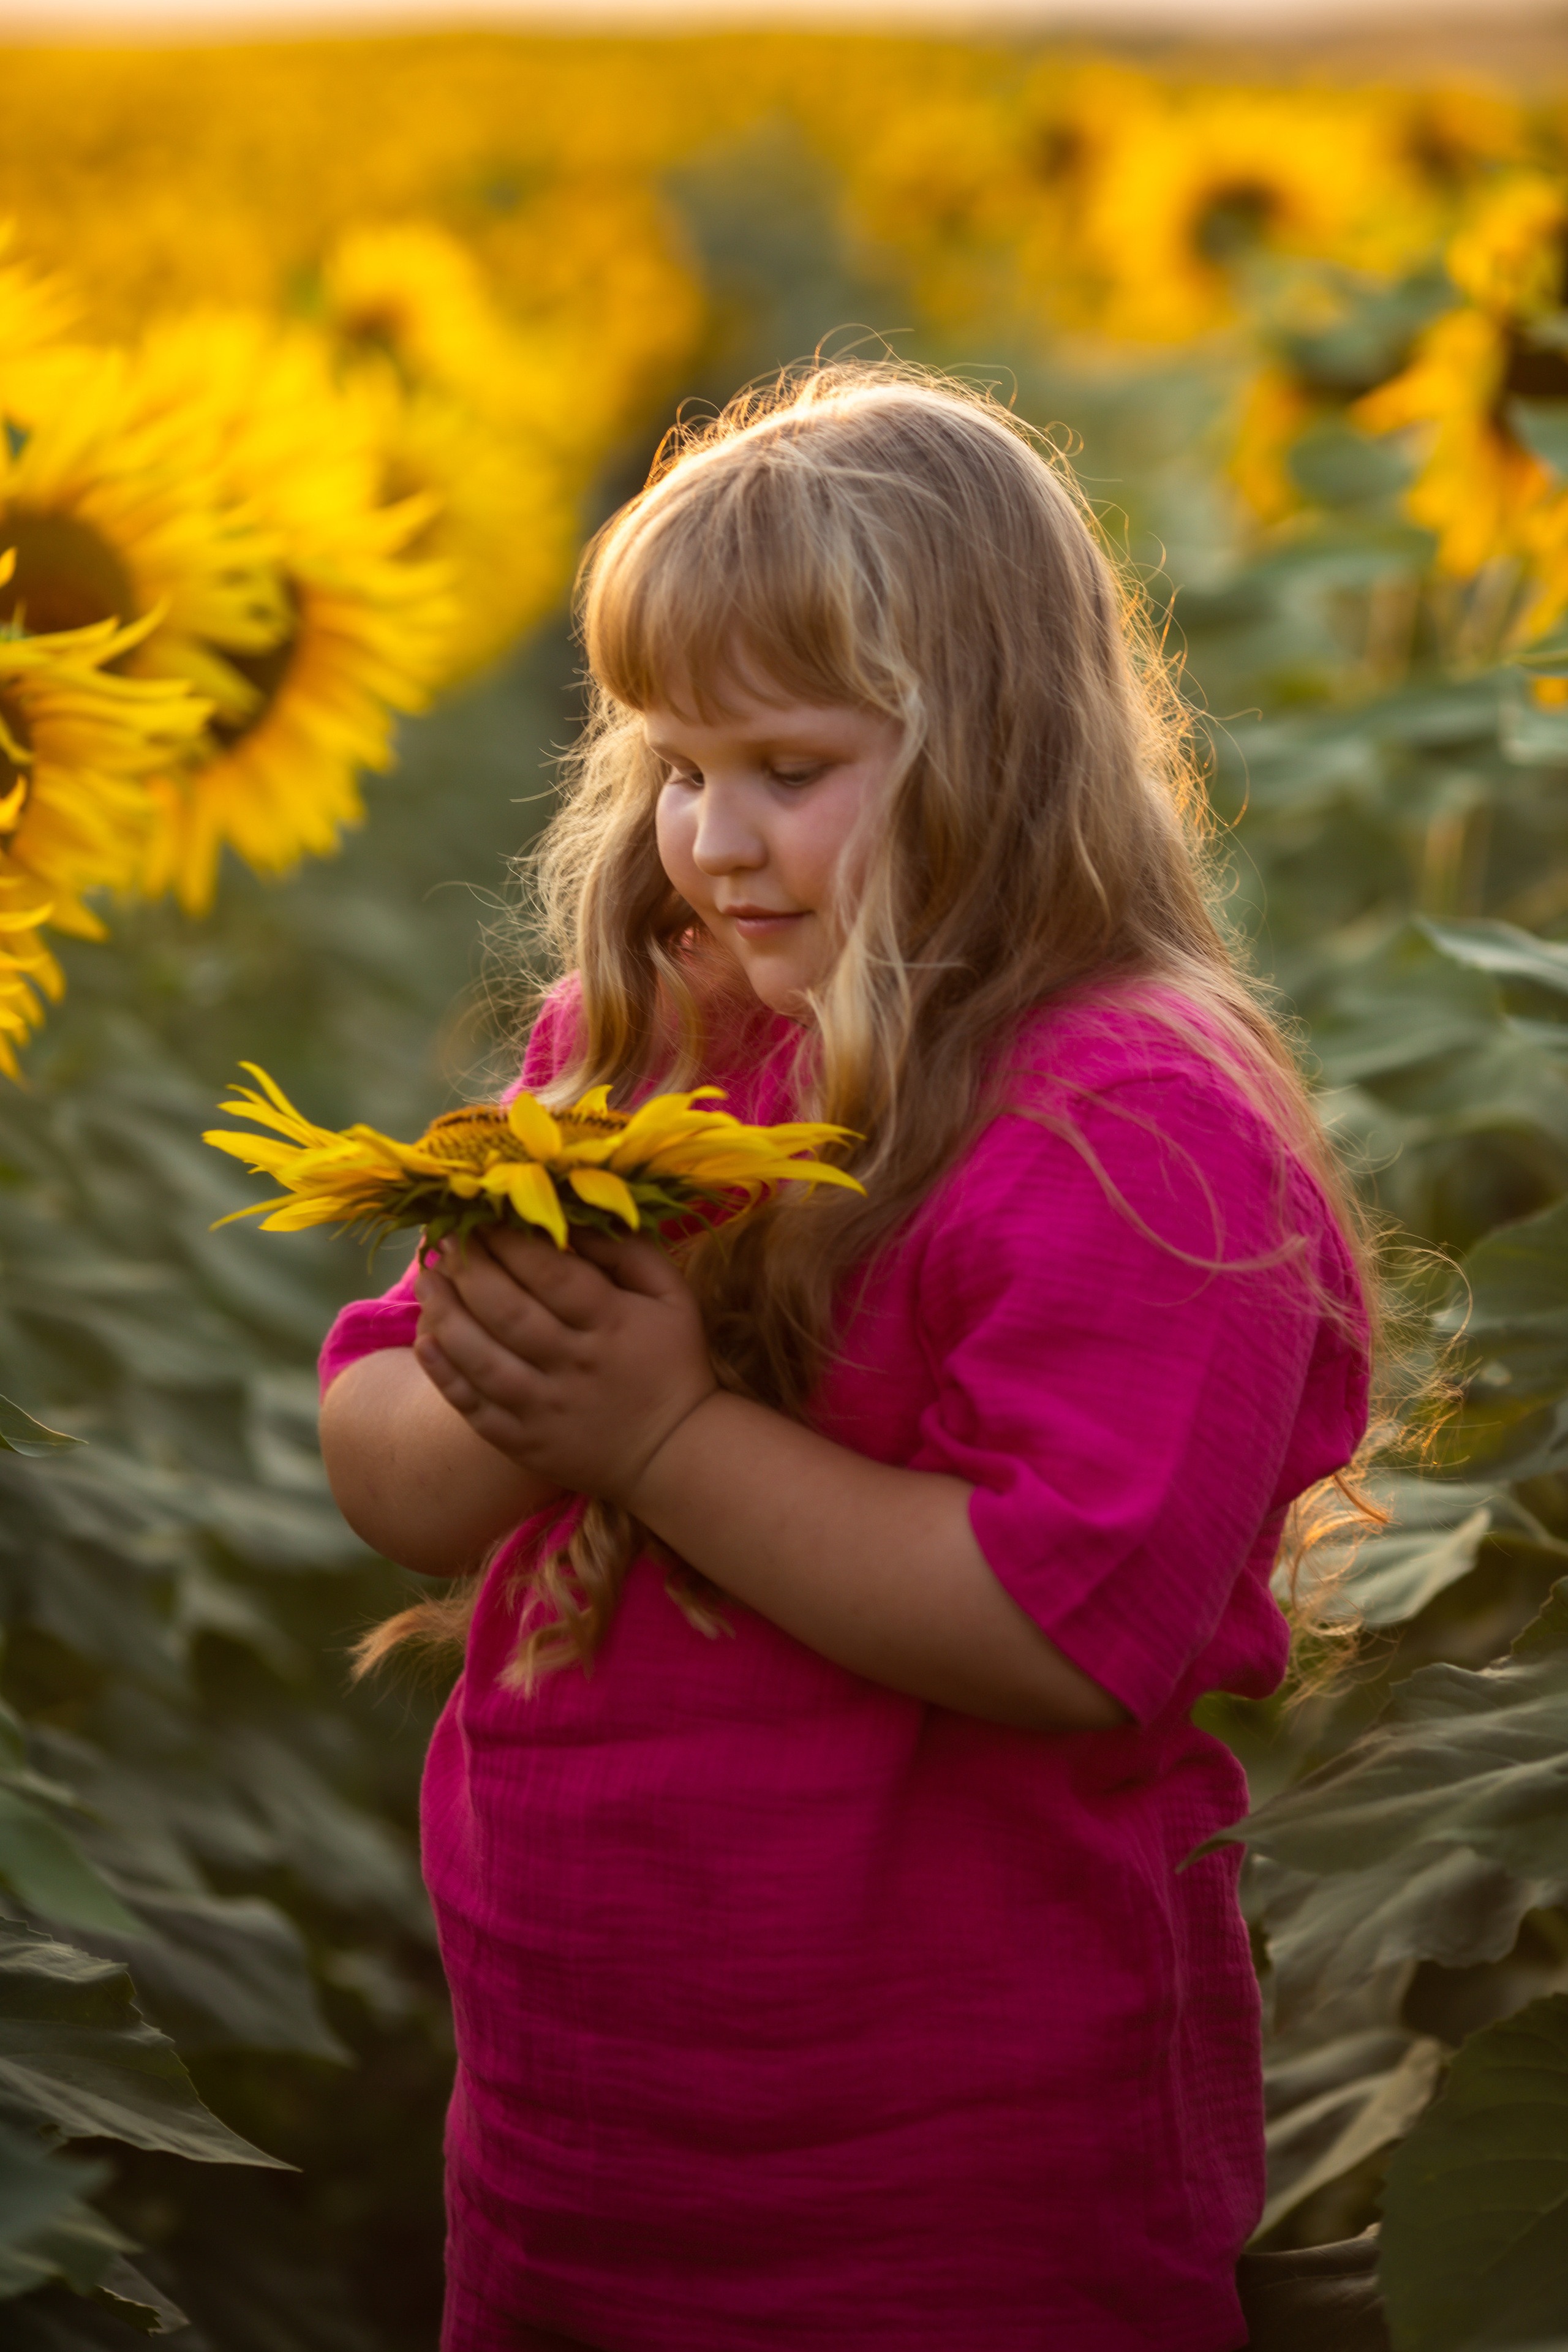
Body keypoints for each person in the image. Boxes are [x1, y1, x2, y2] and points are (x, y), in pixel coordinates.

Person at [317, 364, 1372, 2352]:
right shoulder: (645, 1040)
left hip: (947, 2187)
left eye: (784, 767)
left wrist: (655, 1431)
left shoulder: (1126, 1124)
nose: (709, 840)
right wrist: (513, 1391)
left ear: (1000, 745)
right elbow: (386, 1470)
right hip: (572, 2143)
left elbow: (1064, 1625)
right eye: (671, 765)